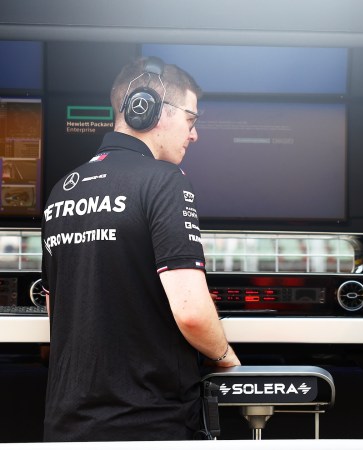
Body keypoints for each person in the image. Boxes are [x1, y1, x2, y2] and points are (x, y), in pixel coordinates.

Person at [41, 56, 240, 441]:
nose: (194, 134)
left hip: (66, 425)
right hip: (148, 423)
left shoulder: (60, 190)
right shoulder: (165, 180)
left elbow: (57, 313)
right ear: (146, 109)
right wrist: (227, 362)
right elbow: (192, 313)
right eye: (191, 119)